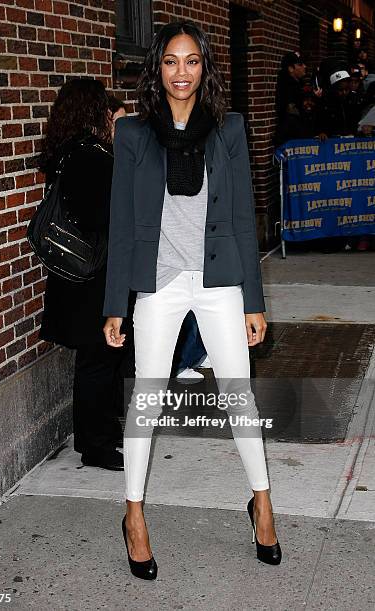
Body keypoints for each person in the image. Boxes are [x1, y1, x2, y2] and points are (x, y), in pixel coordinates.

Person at [103, 21, 282, 579]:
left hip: (219, 281)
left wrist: (254, 301)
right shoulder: (134, 134)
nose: (182, 72)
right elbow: (123, 222)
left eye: (192, 61)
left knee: (239, 398)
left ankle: (263, 504)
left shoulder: (229, 129)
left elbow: (240, 221)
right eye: (171, 61)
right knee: (148, 400)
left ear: (206, 68)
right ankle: (133, 515)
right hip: (158, 283)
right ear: (156, 68)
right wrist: (116, 303)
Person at [38, 79, 134, 471]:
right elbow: (106, 218)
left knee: (99, 359)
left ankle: (100, 436)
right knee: (99, 360)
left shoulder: (66, 153)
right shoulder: (91, 157)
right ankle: (96, 445)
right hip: (94, 276)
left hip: (77, 275)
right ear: (92, 112)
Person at [275, 51, 307, 123]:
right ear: (290, 68)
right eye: (300, 64)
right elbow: (292, 111)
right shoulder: (285, 87)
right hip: (292, 130)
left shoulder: (300, 83)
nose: (304, 66)